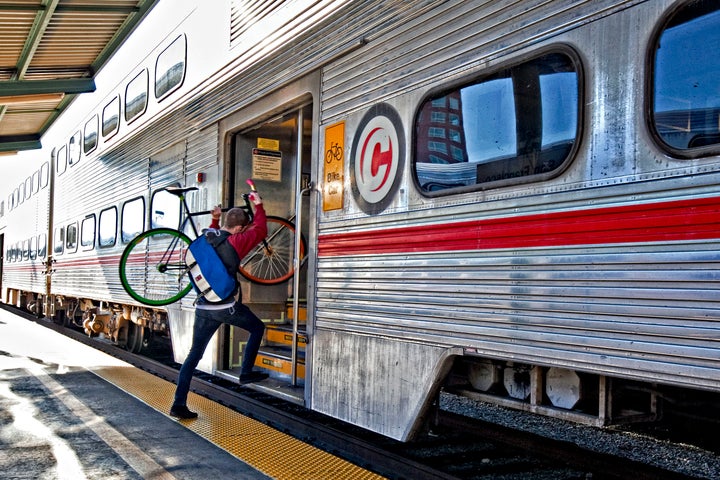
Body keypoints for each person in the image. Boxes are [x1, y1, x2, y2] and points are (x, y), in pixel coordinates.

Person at [170, 191, 269, 419]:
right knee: (257, 328)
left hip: (204, 306)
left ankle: (178, 404)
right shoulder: (237, 241)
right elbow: (262, 230)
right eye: (243, 228)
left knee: (194, 355)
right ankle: (245, 373)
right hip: (226, 307)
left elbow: (214, 241)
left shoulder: (207, 235)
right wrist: (259, 205)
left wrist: (214, 219)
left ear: (223, 222)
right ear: (240, 228)